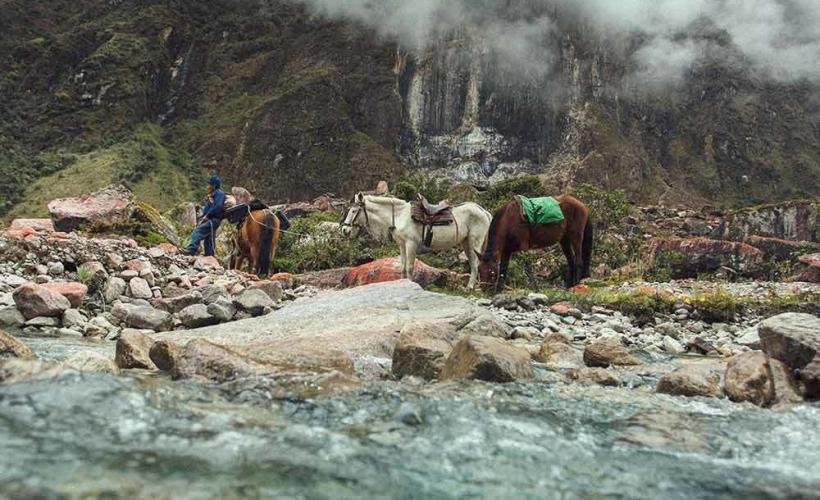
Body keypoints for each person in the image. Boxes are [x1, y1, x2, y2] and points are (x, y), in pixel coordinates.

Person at [184, 175, 226, 257]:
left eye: (209, 184)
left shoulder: (219, 193)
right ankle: (209, 255)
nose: (207, 186)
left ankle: (191, 250)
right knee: (209, 238)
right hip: (211, 219)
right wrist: (202, 216)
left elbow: (218, 206)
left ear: (214, 185)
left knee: (198, 231)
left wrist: (208, 215)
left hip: (213, 219)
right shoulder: (213, 194)